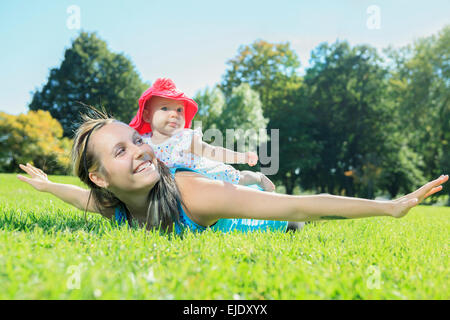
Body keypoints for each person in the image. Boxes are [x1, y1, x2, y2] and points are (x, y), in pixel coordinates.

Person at [17, 109, 448, 235]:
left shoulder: (192, 195)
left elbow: (303, 205)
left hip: (277, 222)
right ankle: (252, 179)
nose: (141, 149)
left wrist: (389, 207)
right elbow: (79, 198)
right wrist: (48, 185)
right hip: (213, 188)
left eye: (137, 139)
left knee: (277, 203)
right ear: (100, 177)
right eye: (121, 150)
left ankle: (255, 177)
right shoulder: (115, 207)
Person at [129, 78, 275, 191]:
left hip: (207, 176)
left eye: (179, 110)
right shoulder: (144, 142)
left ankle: (258, 178)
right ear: (147, 116)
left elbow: (212, 152)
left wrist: (242, 157)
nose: (174, 114)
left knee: (239, 178)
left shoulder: (185, 138)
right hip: (177, 187)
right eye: (165, 108)